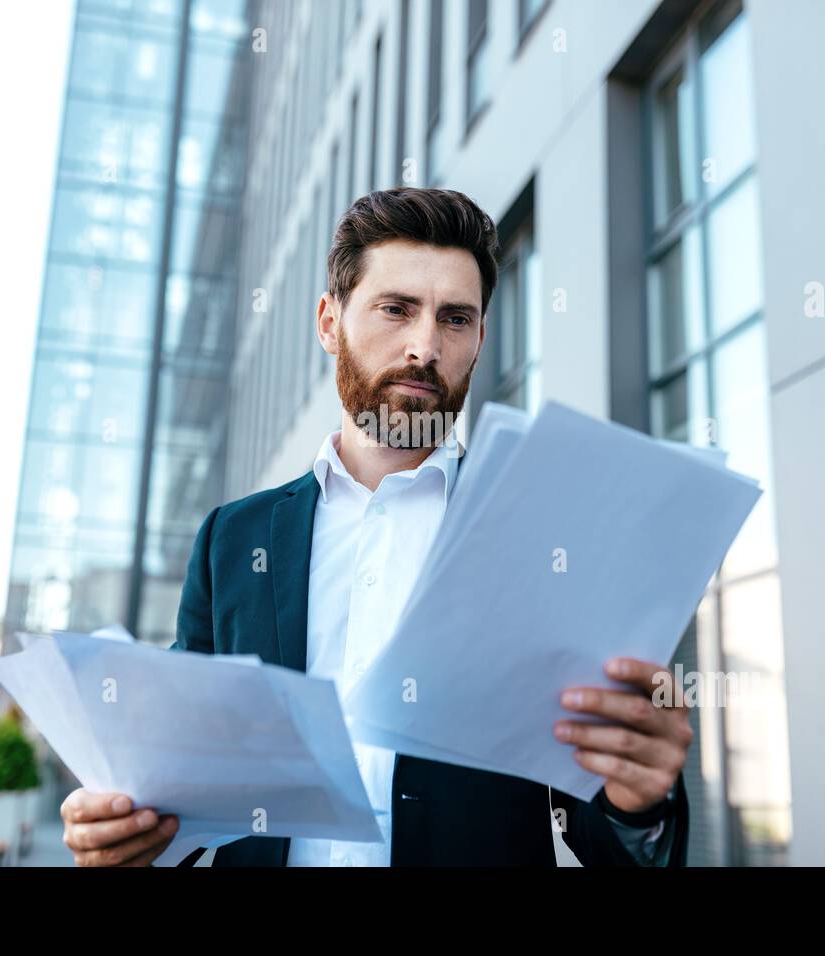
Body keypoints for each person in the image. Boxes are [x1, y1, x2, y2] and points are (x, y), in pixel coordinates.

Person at [61, 187, 693, 866]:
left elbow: (603, 825)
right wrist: (122, 835)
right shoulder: (234, 540)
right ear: (329, 322)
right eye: (396, 309)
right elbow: (175, 782)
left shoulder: (539, 540)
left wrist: (641, 808)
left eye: (455, 319)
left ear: (480, 339)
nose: (425, 346)